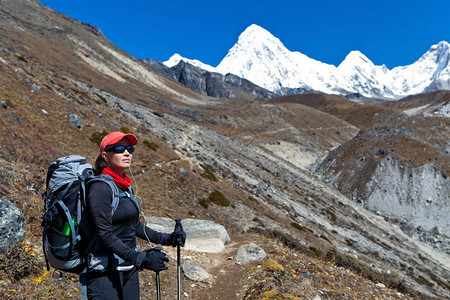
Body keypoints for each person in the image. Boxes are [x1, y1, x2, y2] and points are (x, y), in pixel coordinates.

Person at [83, 131, 186, 300]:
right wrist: (140, 259)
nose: (127, 153)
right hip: (104, 273)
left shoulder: (124, 186)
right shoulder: (100, 187)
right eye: (119, 148)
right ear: (104, 155)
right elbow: (105, 235)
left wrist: (168, 239)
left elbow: (134, 226)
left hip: (128, 269)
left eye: (130, 149)